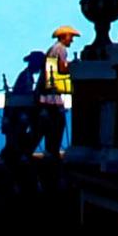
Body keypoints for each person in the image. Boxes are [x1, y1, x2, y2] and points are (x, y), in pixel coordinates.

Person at [38, 25, 78, 160]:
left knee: (47, 125)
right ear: (63, 37)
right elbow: (61, 68)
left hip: (47, 94)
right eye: (70, 37)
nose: (71, 40)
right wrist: (74, 67)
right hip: (51, 97)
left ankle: (50, 151)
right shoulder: (60, 49)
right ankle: (52, 152)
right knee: (56, 125)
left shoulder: (52, 49)